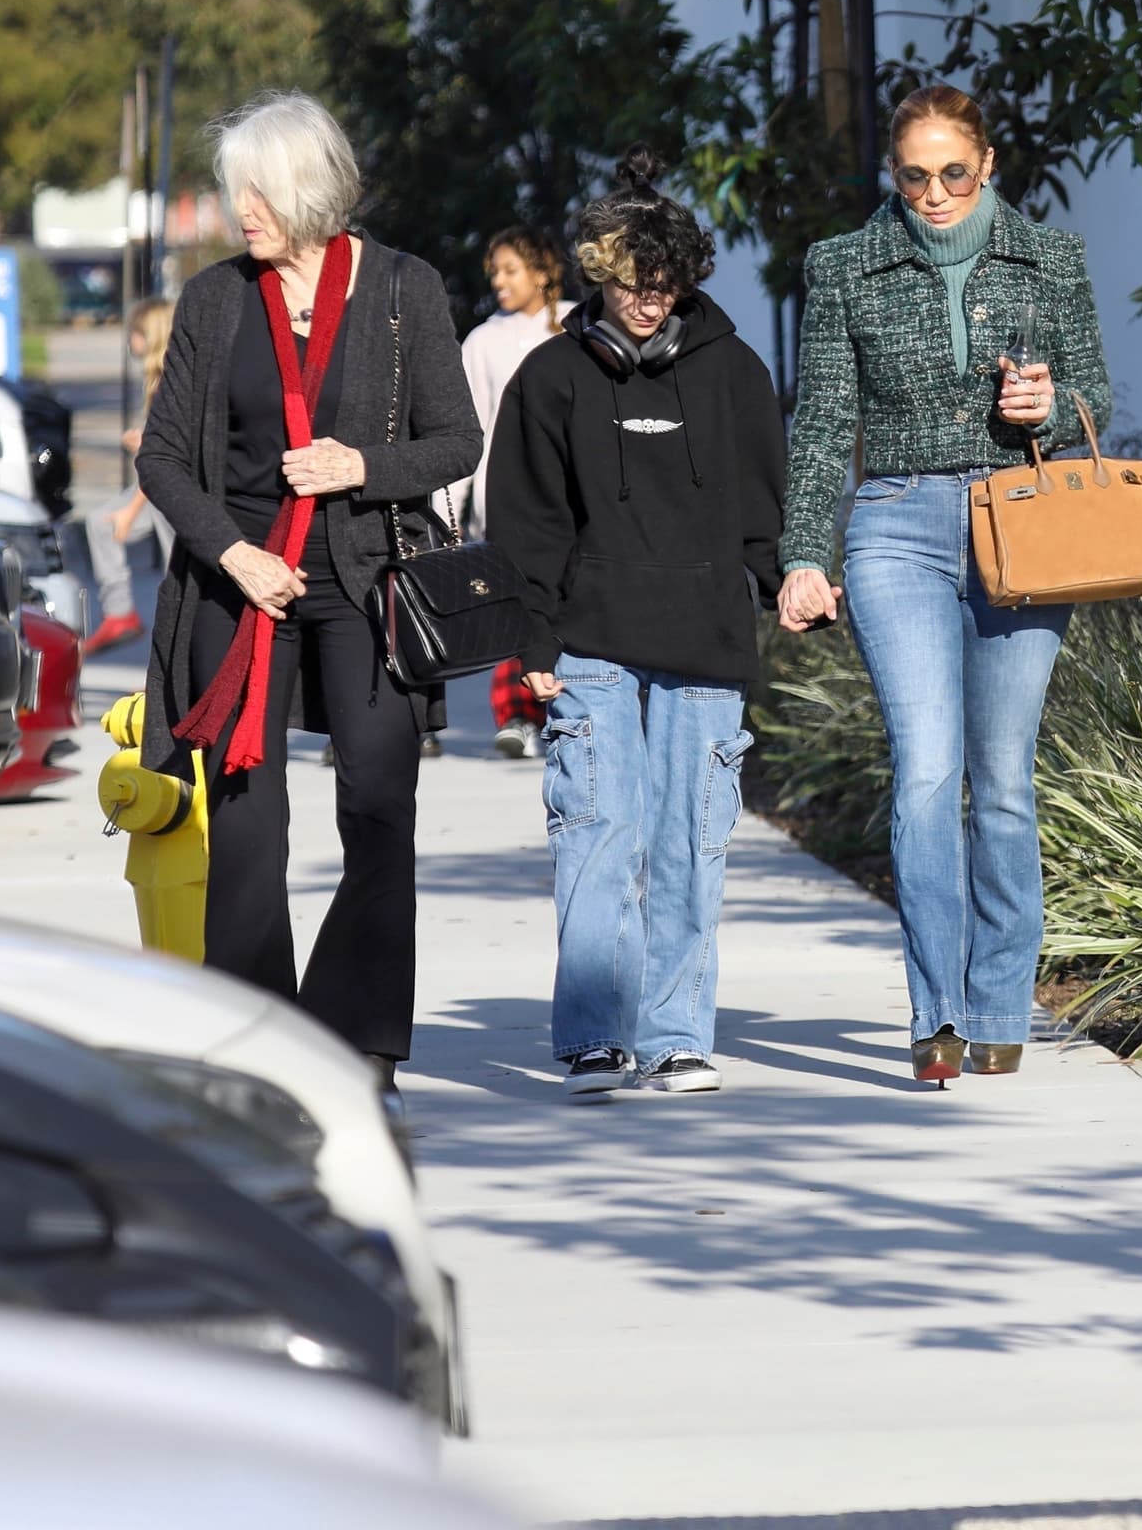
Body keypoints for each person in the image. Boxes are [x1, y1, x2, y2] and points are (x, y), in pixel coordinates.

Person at [136, 91, 482, 1091]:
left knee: (378, 803)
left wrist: (357, 466)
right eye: (234, 188)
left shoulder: (402, 289)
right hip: (239, 589)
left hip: (365, 586)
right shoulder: (213, 300)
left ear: (312, 188)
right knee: (245, 825)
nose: (240, 207)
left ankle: (359, 1035)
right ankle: (253, 1041)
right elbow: (163, 459)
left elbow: (455, 438)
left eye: (259, 189)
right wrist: (230, 555)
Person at [777, 84, 1112, 1083]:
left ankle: (1001, 1004)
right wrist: (805, 553)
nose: (932, 191)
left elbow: (1096, 393)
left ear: (987, 164)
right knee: (927, 769)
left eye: (951, 173)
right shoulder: (842, 266)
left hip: (1021, 525)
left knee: (1001, 783)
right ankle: (939, 1017)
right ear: (892, 172)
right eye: (912, 174)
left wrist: (1048, 404)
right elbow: (823, 424)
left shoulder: (1048, 258)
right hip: (896, 527)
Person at [487, 146, 786, 1098]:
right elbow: (526, 525)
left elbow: (764, 510)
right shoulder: (551, 378)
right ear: (598, 279)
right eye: (627, 284)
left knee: (692, 841)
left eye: (662, 283)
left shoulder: (734, 372)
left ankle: (676, 1036)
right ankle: (593, 1037)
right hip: (591, 643)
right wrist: (532, 643)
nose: (646, 302)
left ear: (685, 277)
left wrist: (789, 585)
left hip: (703, 643)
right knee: (596, 833)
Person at [449, 226, 573, 760]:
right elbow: (468, 423)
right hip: (506, 493)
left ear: (542, 271)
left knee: (570, 601)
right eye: (494, 273)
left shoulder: (575, 325)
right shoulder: (482, 341)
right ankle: (517, 715)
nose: (499, 282)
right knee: (514, 603)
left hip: (571, 489)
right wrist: (453, 504)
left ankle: (567, 712)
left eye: (510, 270)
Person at [83, 298, 176, 656]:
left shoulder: (167, 380)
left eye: (135, 333)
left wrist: (131, 510)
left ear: (149, 335)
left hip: (164, 485)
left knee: (174, 562)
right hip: (157, 480)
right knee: (99, 524)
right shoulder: (157, 378)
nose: (129, 341)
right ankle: (120, 613)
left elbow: (165, 457)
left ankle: (166, 643)